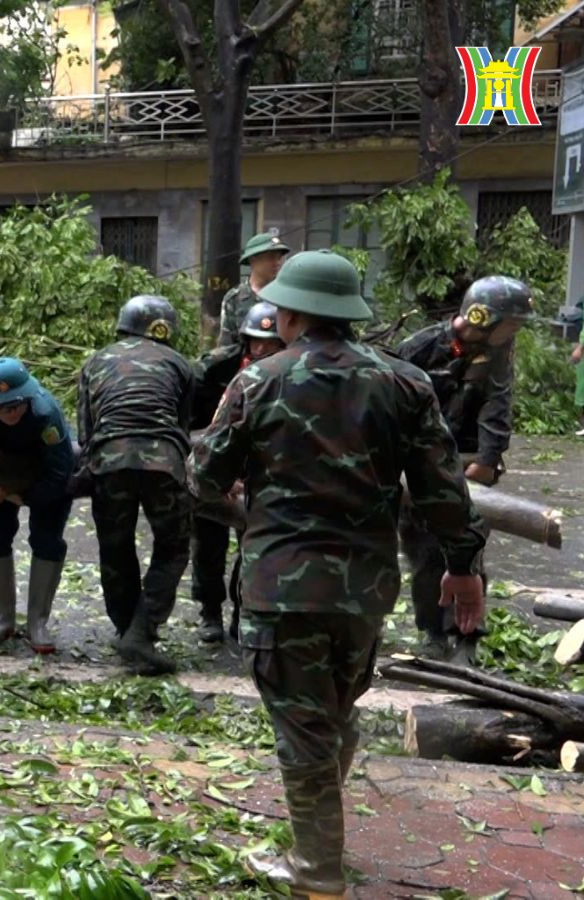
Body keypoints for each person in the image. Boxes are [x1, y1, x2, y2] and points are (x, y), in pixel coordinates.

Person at [192, 249, 485, 898]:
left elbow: (204, 478)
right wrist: (463, 567)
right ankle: (313, 842)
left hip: (282, 589)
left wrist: (250, 510)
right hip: (365, 591)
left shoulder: (257, 381)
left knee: (304, 732)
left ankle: (317, 873)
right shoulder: (407, 383)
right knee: (332, 714)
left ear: (290, 313)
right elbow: (443, 491)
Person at [393, 275, 529, 666]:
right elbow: (387, 398)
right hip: (416, 466)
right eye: (512, 323)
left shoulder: (498, 354)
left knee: (468, 550)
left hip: (467, 462)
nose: (515, 331)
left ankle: (466, 637)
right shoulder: (420, 348)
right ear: (482, 316)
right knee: (422, 554)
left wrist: (487, 461)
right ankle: (432, 631)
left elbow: (497, 407)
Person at [77, 294, 194, 675]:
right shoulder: (179, 363)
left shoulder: (95, 361)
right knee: (173, 547)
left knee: (115, 546)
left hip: (109, 461)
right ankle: (141, 632)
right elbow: (183, 425)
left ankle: (125, 627)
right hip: (164, 463)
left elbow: (86, 429)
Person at [189, 301, 286, 644]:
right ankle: (209, 611)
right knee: (207, 546)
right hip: (213, 467)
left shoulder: (286, 374)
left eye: (269, 342)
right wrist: (217, 474)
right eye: (254, 341)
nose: (260, 349)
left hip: (259, 476)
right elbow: (189, 424)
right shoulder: (214, 369)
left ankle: (243, 612)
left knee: (255, 548)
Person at [0, 357, 75, 653]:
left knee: (47, 539)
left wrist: (21, 497)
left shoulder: (46, 414)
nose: (9, 413)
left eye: (14, 406)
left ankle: (37, 622)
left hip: (45, 480)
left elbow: (60, 474)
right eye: (0, 408)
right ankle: (3, 618)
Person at [217, 231, 291, 348]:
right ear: (253, 259)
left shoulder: (288, 295)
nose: (277, 263)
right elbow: (227, 345)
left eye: (279, 258)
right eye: (271, 257)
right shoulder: (234, 298)